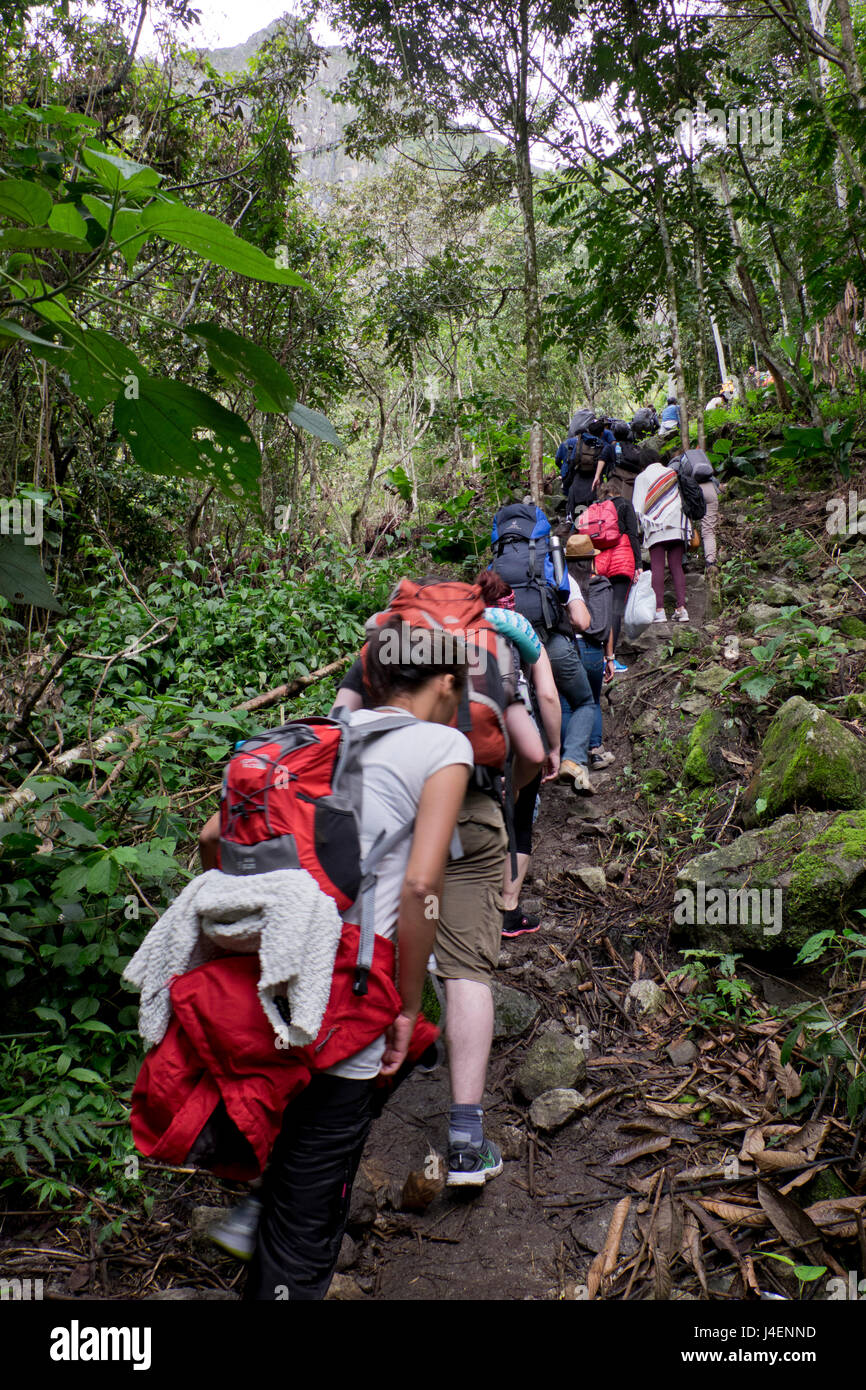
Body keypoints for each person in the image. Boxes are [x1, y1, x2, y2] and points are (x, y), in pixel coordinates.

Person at [197, 619, 473, 1299]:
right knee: (308, 1224)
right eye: (457, 687)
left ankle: (259, 1204)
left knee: (291, 1134)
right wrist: (406, 1005)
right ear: (443, 684)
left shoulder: (315, 738)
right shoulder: (443, 744)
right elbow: (421, 887)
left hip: (266, 987)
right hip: (349, 1004)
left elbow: (210, 839)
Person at [334, 597, 545, 1186]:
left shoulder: (380, 645)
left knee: (358, 945)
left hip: (384, 812)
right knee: (468, 971)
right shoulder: (490, 647)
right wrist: (509, 796)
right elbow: (531, 751)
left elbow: (336, 729)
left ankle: (326, 1135)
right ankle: (464, 1141)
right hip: (473, 816)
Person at [476, 569, 562, 937]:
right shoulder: (516, 624)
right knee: (522, 814)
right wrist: (555, 747)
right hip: (516, 726)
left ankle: (470, 907)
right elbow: (546, 693)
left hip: (464, 731)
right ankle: (508, 910)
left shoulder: (456, 625)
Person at [632, 460, 691, 624]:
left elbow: (637, 508)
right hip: (677, 523)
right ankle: (681, 609)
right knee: (676, 566)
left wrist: (638, 530)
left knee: (657, 566)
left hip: (655, 524)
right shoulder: (671, 473)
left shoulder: (642, 477)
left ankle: (659, 611)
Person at [590, 481, 642, 667]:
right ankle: (611, 657)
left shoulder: (594, 508)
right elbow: (633, 534)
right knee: (615, 610)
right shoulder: (624, 504)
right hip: (622, 561)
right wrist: (638, 564)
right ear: (617, 491)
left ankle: (597, 656)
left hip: (598, 563)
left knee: (599, 608)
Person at [593, 421, 648, 505]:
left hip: (616, 482)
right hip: (634, 483)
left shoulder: (610, 448)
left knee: (615, 506)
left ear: (614, 434)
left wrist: (597, 476)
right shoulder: (636, 448)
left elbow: (602, 459)